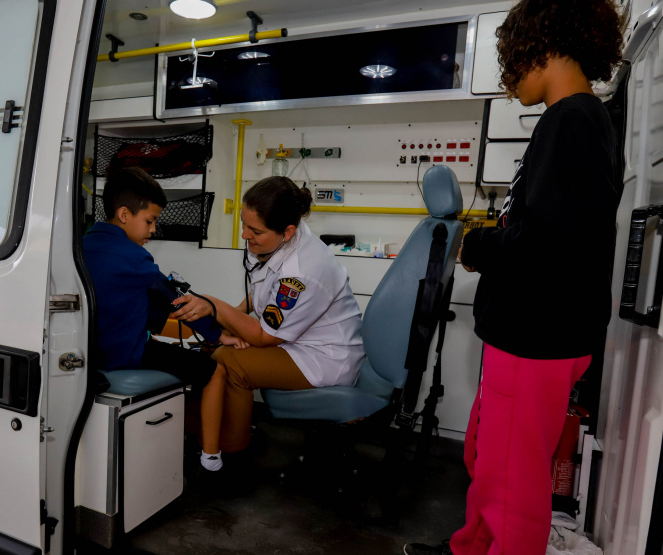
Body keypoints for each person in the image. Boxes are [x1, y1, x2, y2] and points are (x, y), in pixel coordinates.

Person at [405, 1, 625, 553]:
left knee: (513, 479)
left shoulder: (570, 121)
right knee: (490, 456)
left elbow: (546, 243)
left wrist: (478, 245)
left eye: (511, 67)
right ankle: (472, 545)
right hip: (539, 332)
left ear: (542, 49)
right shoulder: (582, 120)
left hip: (537, 333)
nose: (509, 84)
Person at [172, 176, 365, 472]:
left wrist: (216, 306)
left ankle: (231, 453)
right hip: (298, 342)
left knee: (231, 361)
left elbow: (264, 336)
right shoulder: (283, 239)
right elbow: (262, 290)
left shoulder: (302, 272)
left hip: (325, 357)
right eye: (244, 224)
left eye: (256, 231)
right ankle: (206, 430)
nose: (245, 235)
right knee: (212, 345)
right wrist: (227, 322)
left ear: (287, 232)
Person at [83, 167, 229, 437]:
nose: (154, 228)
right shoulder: (134, 257)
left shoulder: (81, 245)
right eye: (150, 220)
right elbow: (176, 300)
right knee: (213, 369)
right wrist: (218, 334)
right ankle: (210, 456)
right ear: (124, 214)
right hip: (124, 356)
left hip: (89, 355)